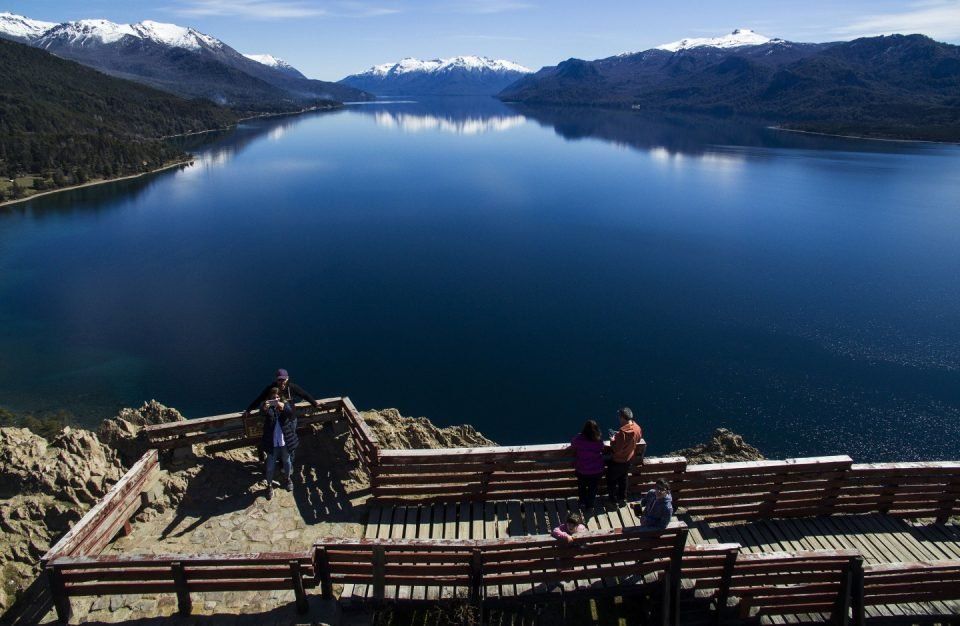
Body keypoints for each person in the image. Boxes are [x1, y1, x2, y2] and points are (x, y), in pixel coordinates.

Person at [243, 369, 320, 498]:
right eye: (279, 379)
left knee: (289, 442)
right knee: (279, 441)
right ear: (276, 379)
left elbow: (304, 394)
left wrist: (315, 403)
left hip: (290, 419)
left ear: (287, 378)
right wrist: (249, 409)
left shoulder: (292, 387)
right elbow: (259, 400)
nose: (281, 382)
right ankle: (282, 464)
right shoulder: (271, 389)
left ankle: (287, 465)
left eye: (283, 379)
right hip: (275, 420)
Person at [259, 387, 298, 499]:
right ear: (269, 399)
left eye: (277, 397)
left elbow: (291, 414)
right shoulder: (268, 408)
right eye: (273, 398)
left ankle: (288, 479)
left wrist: (284, 407)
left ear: (280, 397)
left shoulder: (285, 405)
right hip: (272, 443)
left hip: (284, 441)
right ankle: (269, 485)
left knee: (287, 461)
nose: (275, 399)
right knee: (270, 466)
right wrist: (265, 408)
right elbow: (262, 413)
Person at [606, 407, 642, 508]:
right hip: (628, 459)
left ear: (622, 418)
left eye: (619, 417)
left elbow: (616, 449)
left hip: (618, 460)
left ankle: (612, 501)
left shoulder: (623, 432)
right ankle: (622, 499)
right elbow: (638, 439)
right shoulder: (637, 427)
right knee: (623, 479)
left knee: (611, 480)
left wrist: (612, 439)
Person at [571, 419, 604, 512]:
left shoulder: (579, 438)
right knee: (592, 489)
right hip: (596, 470)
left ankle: (582, 502)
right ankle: (590, 506)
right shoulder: (598, 439)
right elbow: (602, 448)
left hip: (582, 469)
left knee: (582, 487)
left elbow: (573, 444)